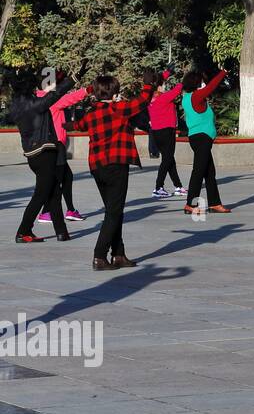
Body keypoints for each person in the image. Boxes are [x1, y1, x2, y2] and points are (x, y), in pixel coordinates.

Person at [72, 76, 156, 270]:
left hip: (97, 166)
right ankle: (99, 256)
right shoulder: (120, 109)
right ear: (114, 91)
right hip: (117, 164)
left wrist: (65, 125)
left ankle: (118, 254)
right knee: (114, 212)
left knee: (113, 210)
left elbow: (79, 125)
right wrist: (148, 84)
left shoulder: (91, 113)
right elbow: (142, 101)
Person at [8, 74, 81, 244]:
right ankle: (23, 231)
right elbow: (55, 95)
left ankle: (61, 232)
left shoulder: (17, 107)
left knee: (54, 192)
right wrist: (73, 79)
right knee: (40, 195)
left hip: (34, 156)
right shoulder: (34, 105)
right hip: (44, 153)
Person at [33, 74, 88, 224]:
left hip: (44, 144)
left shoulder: (37, 98)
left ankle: (62, 210)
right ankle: (50, 212)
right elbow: (71, 98)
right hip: (56, 144)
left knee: (62, 178)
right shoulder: (53, 100)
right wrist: (88, 90)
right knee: (59, 179)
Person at [181, 69, 231, 215]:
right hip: (201, 138)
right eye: (202, 81)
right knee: (198, 171)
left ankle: (215, 203)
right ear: (196, 83)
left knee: (209, 172)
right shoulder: (196, 96)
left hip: (199, 138)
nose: (204, 84)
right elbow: (211, 88)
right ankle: (190, 204)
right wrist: (223, 73)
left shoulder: (187, 97)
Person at [145, 69, 185, 199]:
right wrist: (185, 81)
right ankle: (158, 187)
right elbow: (178, 90)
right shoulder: (164, 98)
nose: (164, 87)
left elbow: (156, 81)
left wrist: (167, 73)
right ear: (158, 87)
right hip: (167, 131)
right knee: (167, 159)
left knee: (169, 159)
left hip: (157, 133)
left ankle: (178, 186)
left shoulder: (150, 99)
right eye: (162, 85)